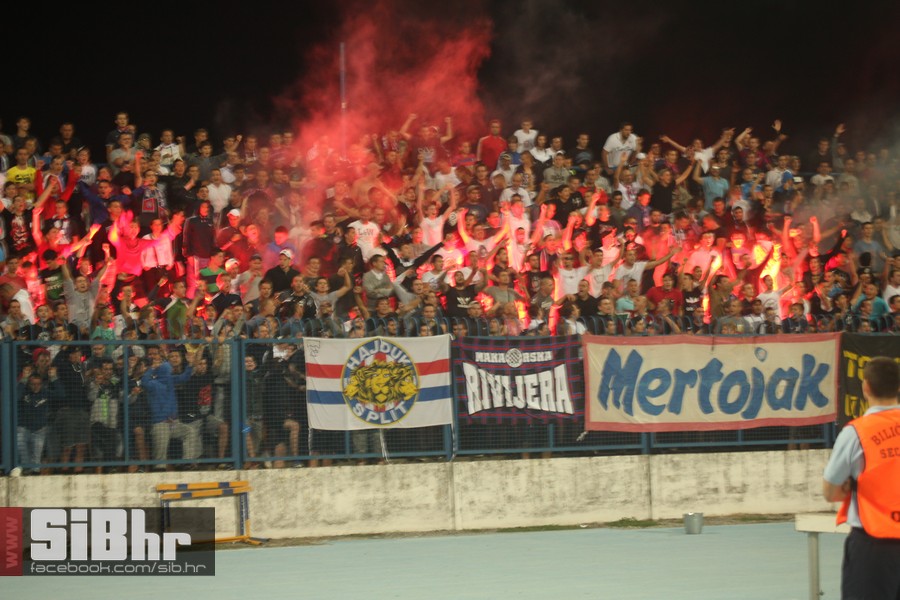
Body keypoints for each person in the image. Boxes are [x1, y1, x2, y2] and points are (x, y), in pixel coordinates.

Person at [823, 357, 900, 599]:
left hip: (874, 543)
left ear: (865, 387)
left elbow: (831, 492)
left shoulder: (856, 432)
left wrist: (848, 486)